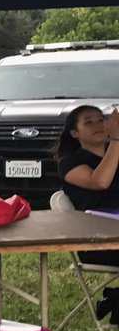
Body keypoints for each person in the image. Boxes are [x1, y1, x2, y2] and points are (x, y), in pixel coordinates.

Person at [55, 104, 119, 264]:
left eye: (101, 120)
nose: (98, 125)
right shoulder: (70, 162)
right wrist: (116, 140)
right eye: (89, 122)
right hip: (97, 240)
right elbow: (100, 181)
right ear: (74, 133)